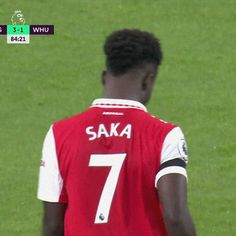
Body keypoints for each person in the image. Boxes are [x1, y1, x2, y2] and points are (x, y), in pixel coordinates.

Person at [37, 29, 196, 236]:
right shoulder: (165, 135)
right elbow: (175, 217)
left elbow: (52, 225)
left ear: (104, 77)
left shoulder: (58, 134)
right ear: (148, 81)